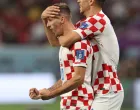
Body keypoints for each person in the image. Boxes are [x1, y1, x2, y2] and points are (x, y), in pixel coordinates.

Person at [41, 0, 124, 110]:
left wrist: (57, 26)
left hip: (108, 89)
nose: (78, 1)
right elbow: (56, 43)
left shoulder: (98, 19)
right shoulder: (83, 24)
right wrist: (45, 19)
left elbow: (64, 41)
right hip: (96, 89)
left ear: (91, 1)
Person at [29, 3, 94, 110]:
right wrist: (47, 91)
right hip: (70, 104)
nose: (48, 25)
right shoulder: (66, 44)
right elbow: (67, 78)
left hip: (80, 104)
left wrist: (51, 94)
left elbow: (78, 78)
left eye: (50, 20)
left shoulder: (79, 43)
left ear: (62, 19)